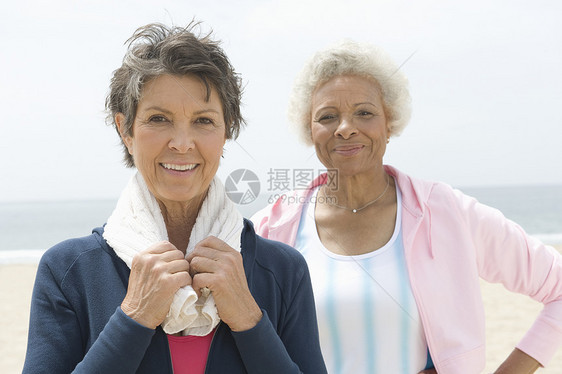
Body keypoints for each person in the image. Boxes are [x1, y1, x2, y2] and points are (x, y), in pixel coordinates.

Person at [23, 23, 326, 374]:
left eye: (203, 121)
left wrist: (248, 317)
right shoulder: (67, 271)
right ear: (125, 129)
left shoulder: (282, 271)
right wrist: (133, 317)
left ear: (226, 131)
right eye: (158, 119)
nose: (182, 143)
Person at [251, 40, 562, 374]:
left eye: (364, 113)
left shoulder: (447, 213)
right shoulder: (272, 228)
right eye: (327, 117)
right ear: (309, 130)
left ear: (390, 123)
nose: (345, 128)